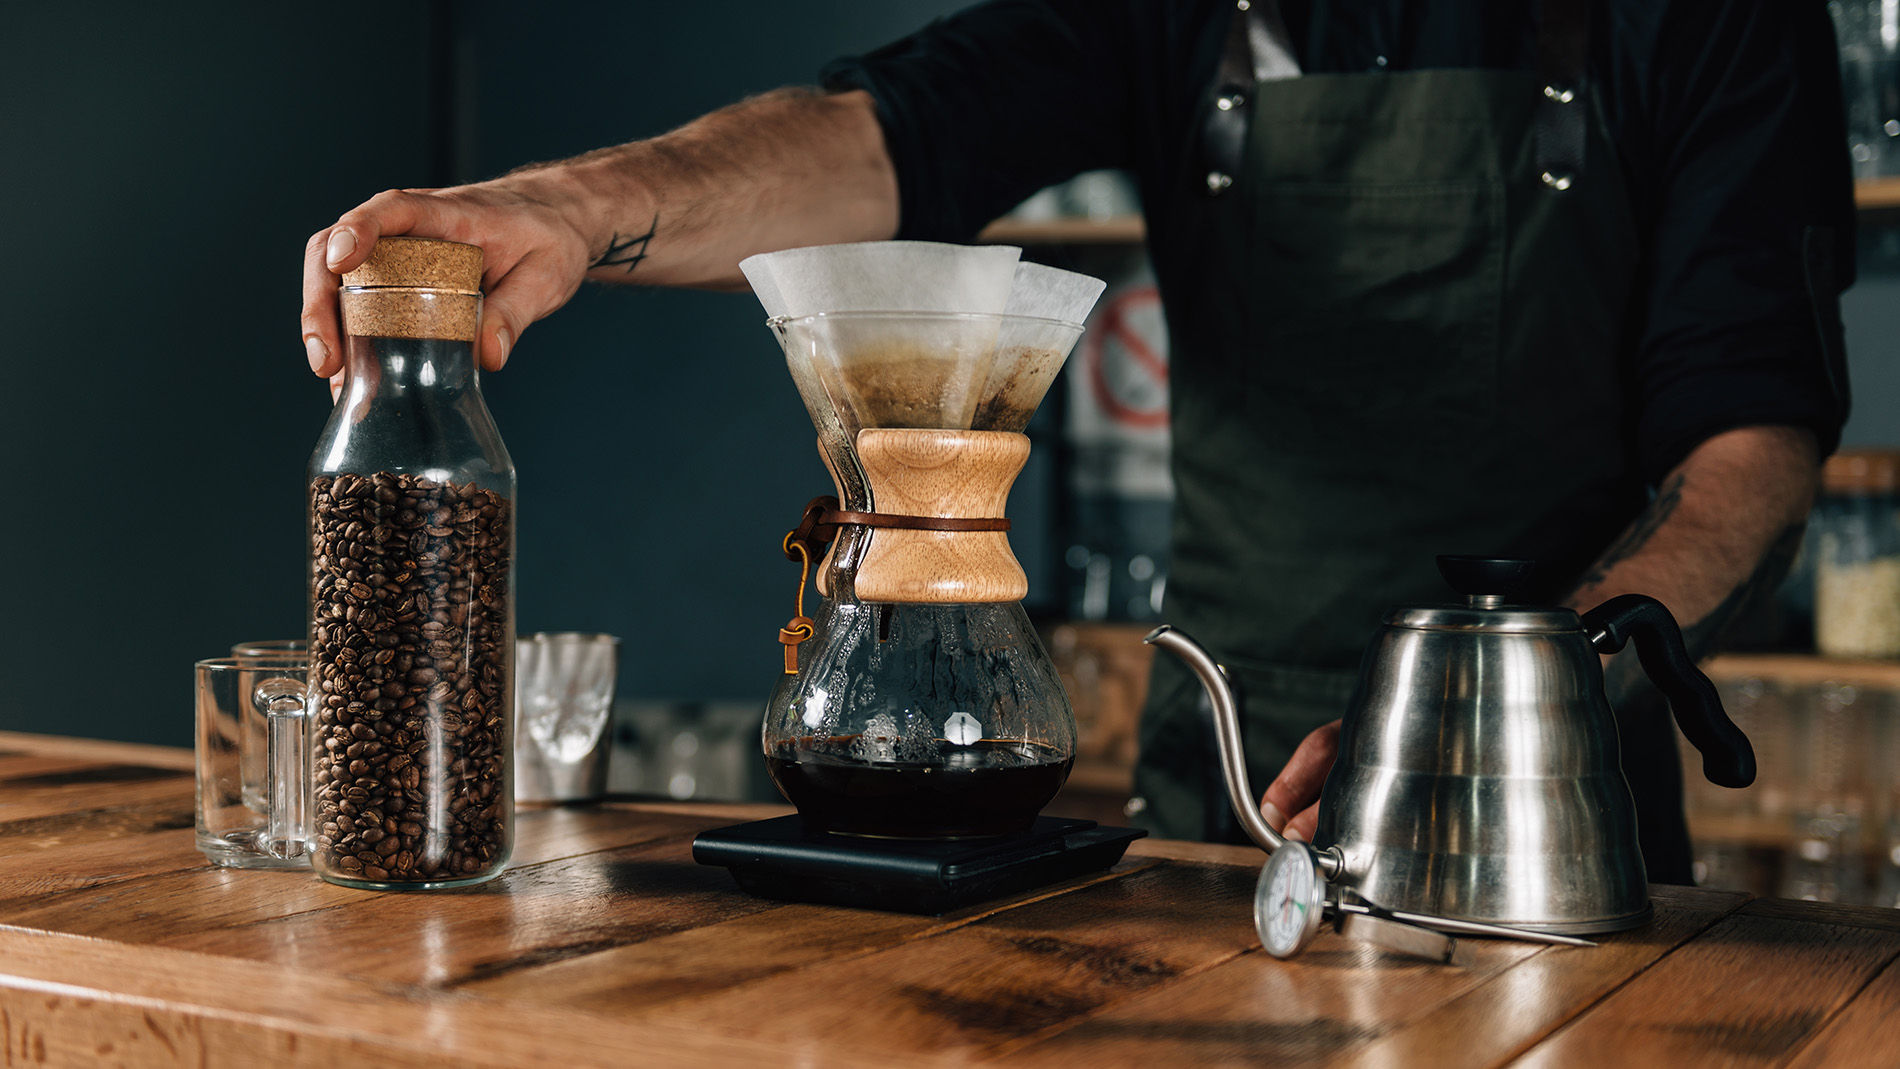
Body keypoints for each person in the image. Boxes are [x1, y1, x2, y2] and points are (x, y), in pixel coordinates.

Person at [301, 0, 1853, 883]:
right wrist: (567, 209)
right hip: (1230, 766)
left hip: (1547, 767)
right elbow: (886, 134)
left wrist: (1503, 698)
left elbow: (1753, 437)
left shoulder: (1713, 14)